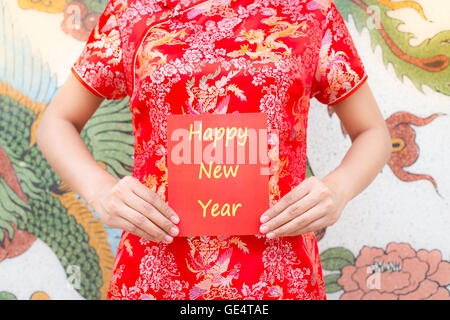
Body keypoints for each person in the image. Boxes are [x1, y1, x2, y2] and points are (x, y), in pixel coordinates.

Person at [36, 0, 391, 300]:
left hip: (280, 277)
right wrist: (100, 192)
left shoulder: (310, 11)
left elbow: (373, 132)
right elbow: (57, 123)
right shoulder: (130, 12)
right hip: (153, 274)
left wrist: (339, 189)